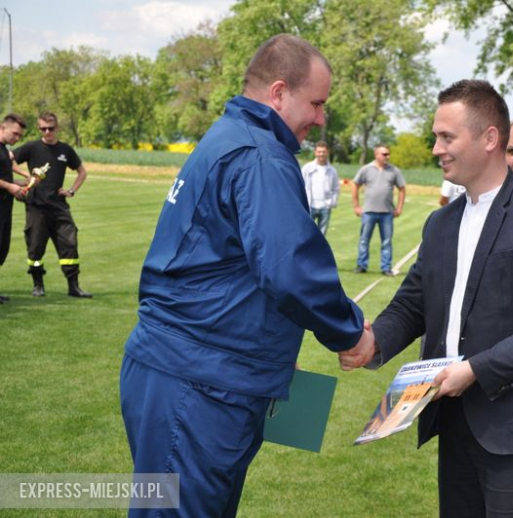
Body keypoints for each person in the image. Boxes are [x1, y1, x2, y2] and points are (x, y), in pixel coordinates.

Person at [119, 34, 373, 517]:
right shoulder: (260, 155)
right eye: (316, 103)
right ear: (279, 93)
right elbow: (289, 269)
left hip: (190, 368)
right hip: (201, 379)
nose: (321, 119)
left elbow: (233, 264)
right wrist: (347, 331)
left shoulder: (227, 136)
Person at [342, 80, 513, 517]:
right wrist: (374, 344)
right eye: (436, 136)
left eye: (446, 137)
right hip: (452, 421)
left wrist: (474, 369)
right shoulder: (440, 222)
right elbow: (413, 304)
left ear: (489, 138)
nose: (435, 148)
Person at [13, 112, 91, 298]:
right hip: (36, 208)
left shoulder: (65, 150)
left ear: (57, 129)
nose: (47, 132)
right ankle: (38, 285)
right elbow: (7, 159)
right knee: (35, 249)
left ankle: (74, 287)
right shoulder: (31, 147)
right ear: (39, 129)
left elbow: (82, 172)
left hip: (59, 208)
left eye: (50, 128)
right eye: (43, 128)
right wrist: (25, 178)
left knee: (70, 246)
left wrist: (71, 191)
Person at [351, 144, 406, 275]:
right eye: (385, 154)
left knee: (386, 241)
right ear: (377, 155)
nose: (388, 156)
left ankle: (386, 267)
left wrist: (399, 208)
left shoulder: (394, 170)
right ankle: (361, 265)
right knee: (364, 240)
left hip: (387, 213)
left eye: (388, 154)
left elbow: (402, 189)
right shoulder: (366, 169)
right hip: (368, 211)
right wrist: (356, 206)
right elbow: (355, 185)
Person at [0, 114, 27, 303]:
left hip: (4, 206)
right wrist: (10, 187)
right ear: (3, 128)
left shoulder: (4, 150)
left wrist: (20, 183)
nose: (17, 139)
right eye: (15, 134)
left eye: (19, 136)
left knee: (2, 247)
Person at [301, 140, 340, 234]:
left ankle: (318, 249)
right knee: (306, 233)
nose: (321, 154)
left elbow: (336, 188)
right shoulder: (307, 168)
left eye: (323, 151)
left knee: (322, 235)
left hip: (325, 207)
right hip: (310, 206)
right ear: (315, 152)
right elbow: (300, 185)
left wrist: (332, 202)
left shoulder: (332, 171)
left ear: (327, 152)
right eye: (319, 151)